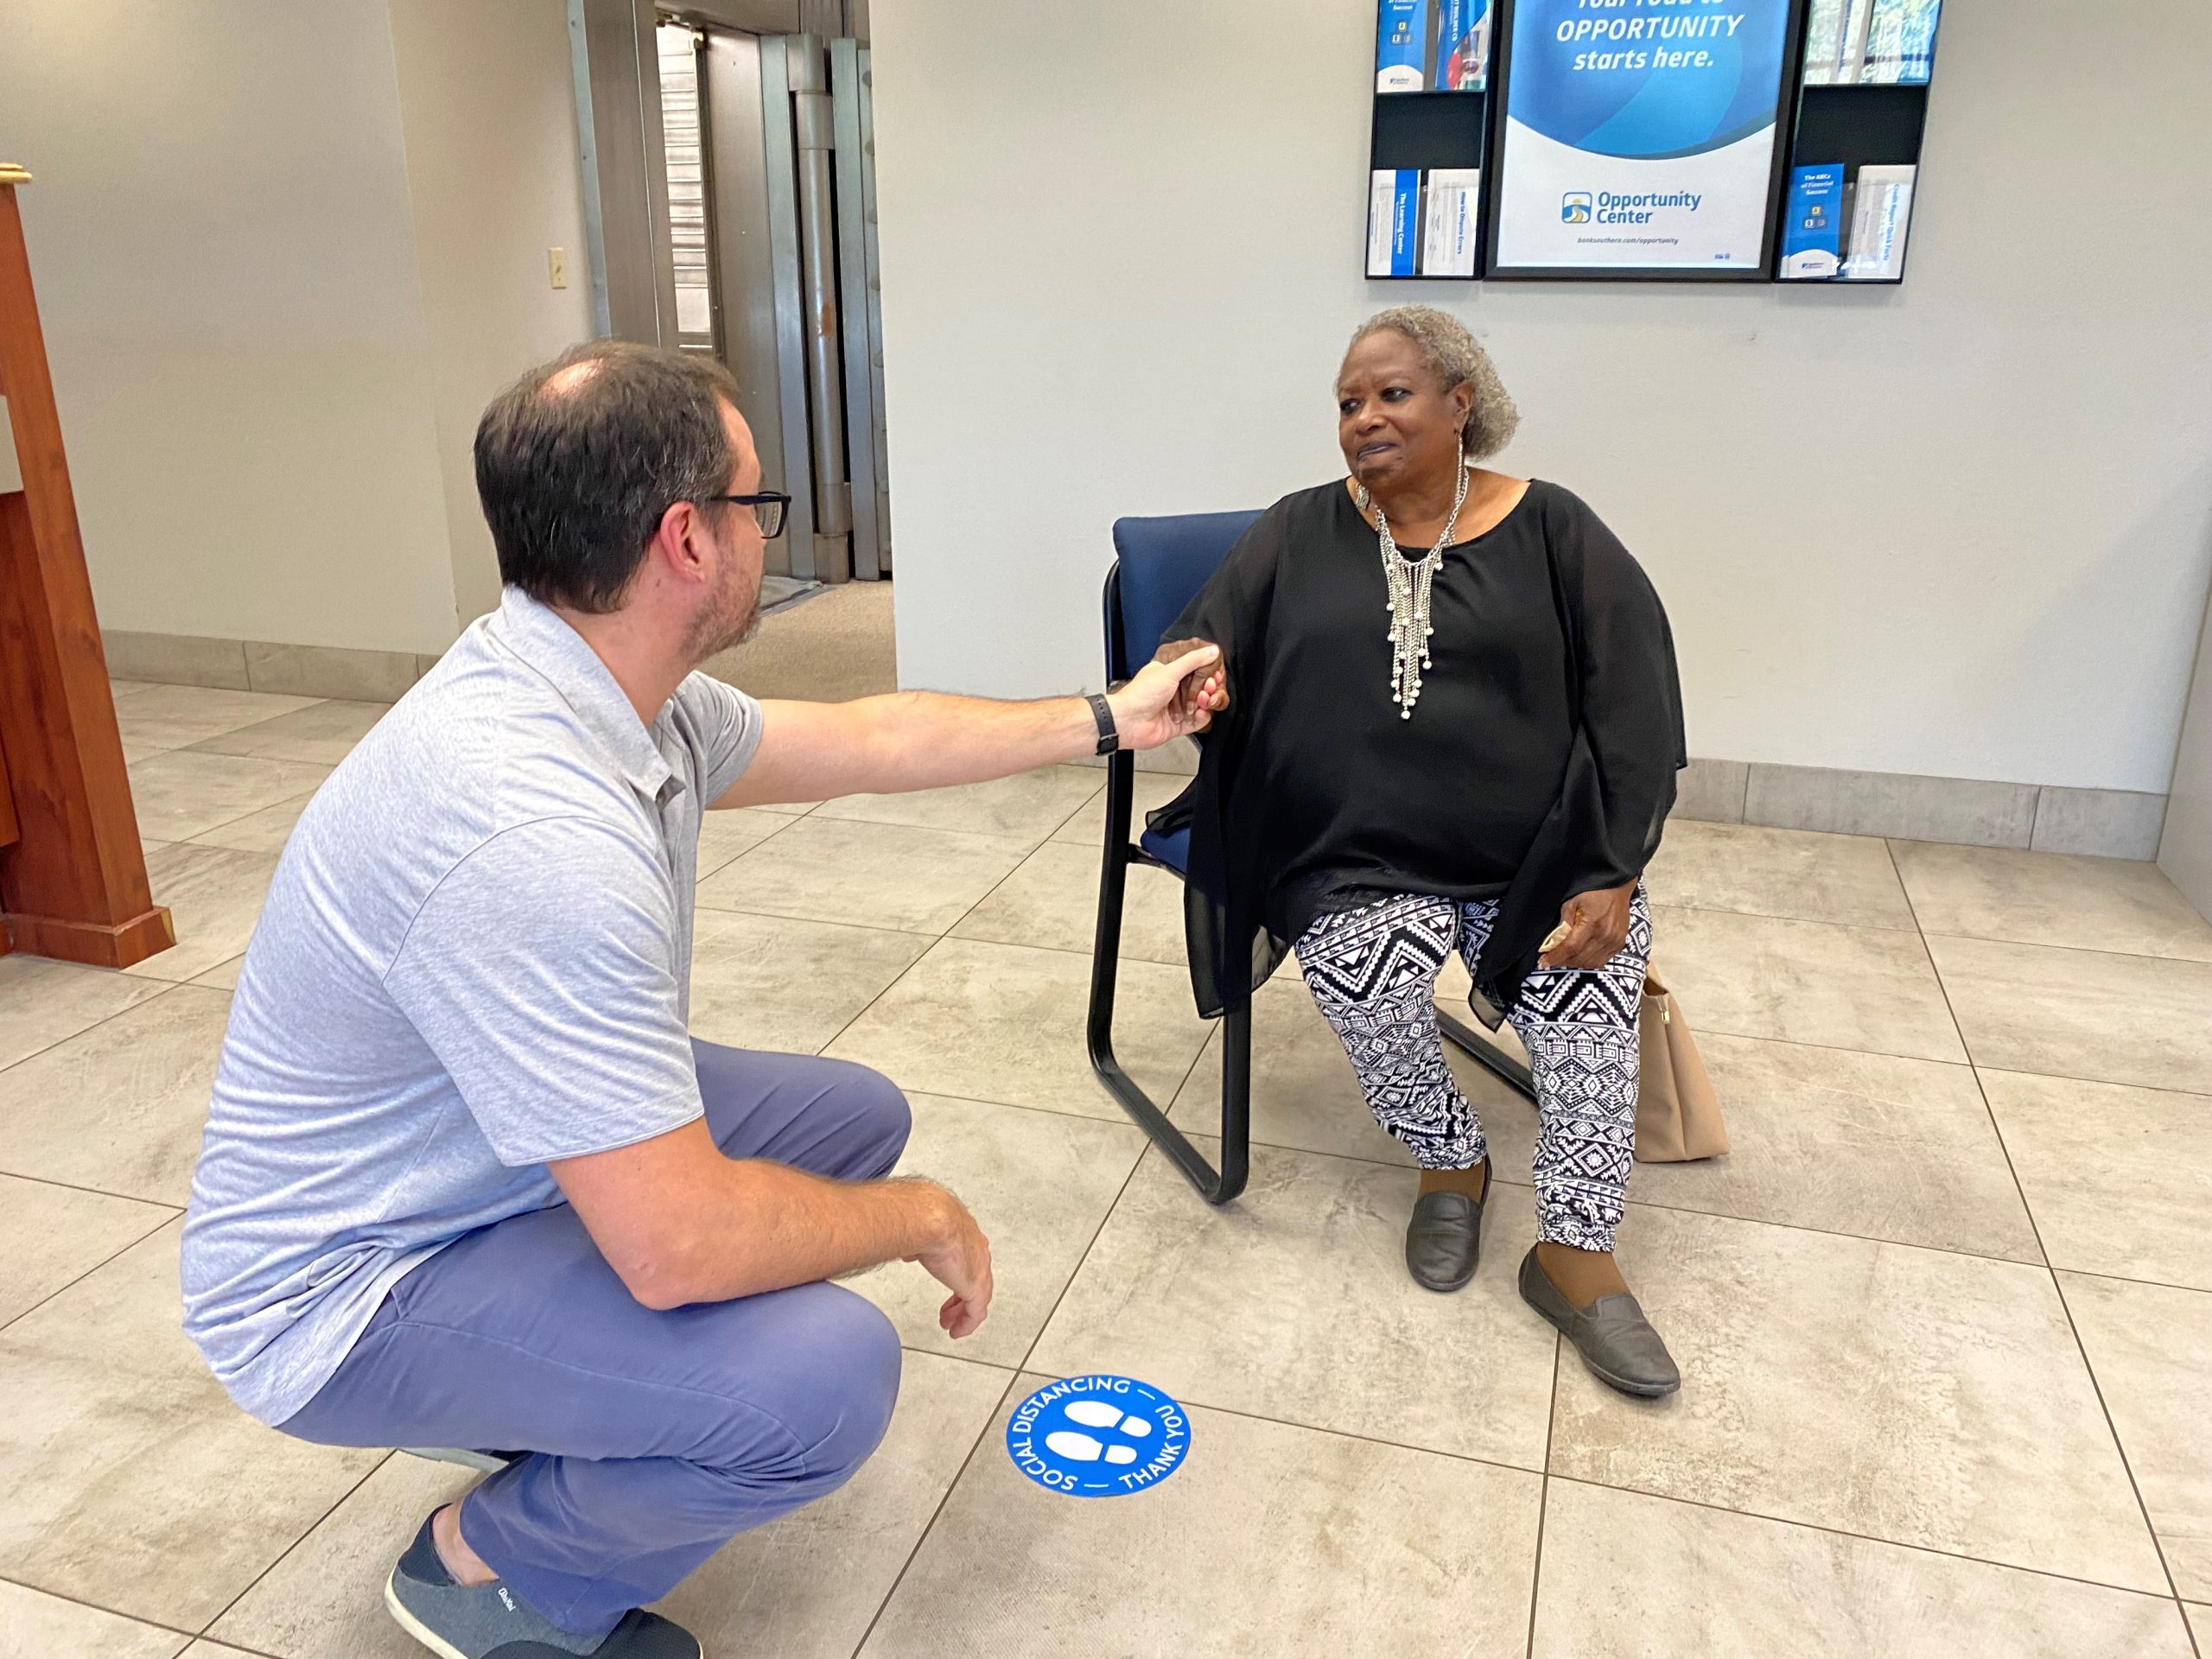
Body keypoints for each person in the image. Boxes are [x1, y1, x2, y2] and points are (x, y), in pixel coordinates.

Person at [179, 340, 1226, 1659]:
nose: (761, 527)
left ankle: (568, 1398)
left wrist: (1108, 717)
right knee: (824, 1380)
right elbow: (677, 1245)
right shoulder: (528, 829)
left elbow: (868, 740)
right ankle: (490, 1573)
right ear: (687, 538)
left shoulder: (606, 689)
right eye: (756, 504)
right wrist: (920, 1219)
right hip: (348, 1289)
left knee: (846, 1116)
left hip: (477, 1168)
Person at [1154, 305, 1686, 1397]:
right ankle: (1451, 1160)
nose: (1363, 419)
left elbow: (1636, 706)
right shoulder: (1296, 529)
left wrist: (1611, 870)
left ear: (1461, 404)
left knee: (1591, 991)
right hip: (1353, 852)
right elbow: (1201, 639)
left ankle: (1574, 1253)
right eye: (1348, 403)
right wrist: (1195, 676)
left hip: (1534, 853)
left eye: (1391, 395)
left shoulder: (1554, 528)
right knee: (1361, 972)